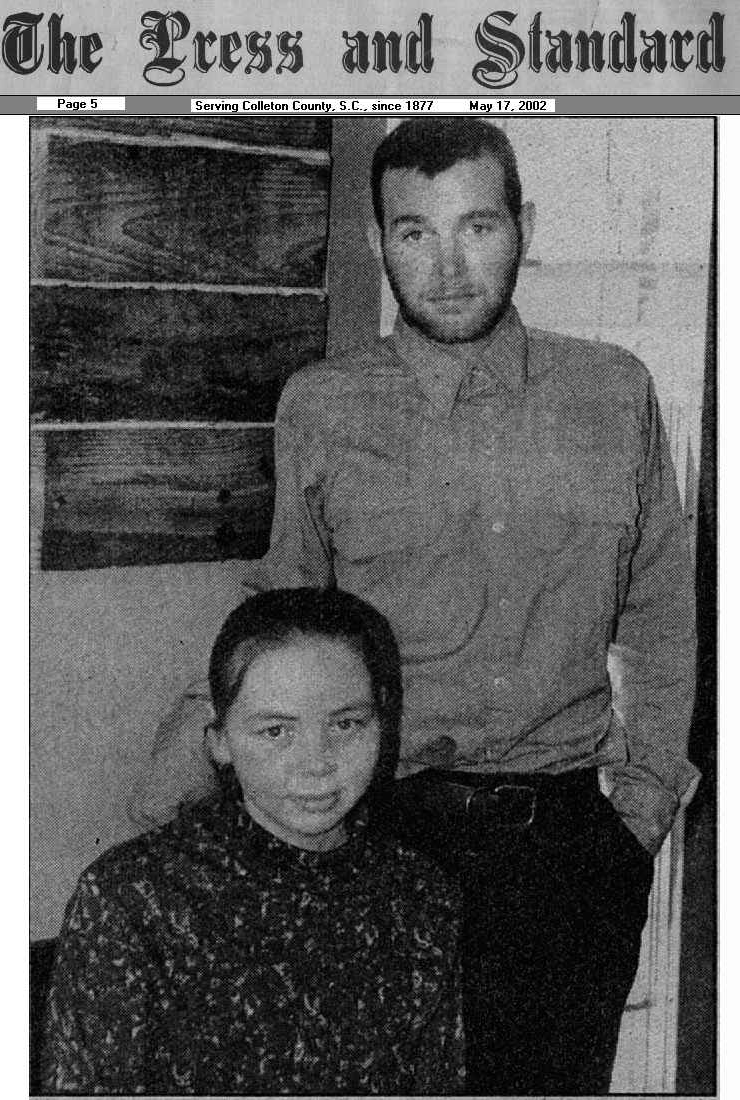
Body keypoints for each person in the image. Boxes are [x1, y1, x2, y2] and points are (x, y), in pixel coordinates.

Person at [135, 119, 699, 1095]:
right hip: (378, 838)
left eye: (476, 227)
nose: (446, 267)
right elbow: (279, 621)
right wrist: (177, 789)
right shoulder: (322, 406)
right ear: (376, 242)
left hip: (566, 856)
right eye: (413, 232)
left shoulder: (612, 393)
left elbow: (661, 609)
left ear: (523, 227)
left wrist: (638, 813)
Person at [43, 588, 464, 1096]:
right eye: (276, 731)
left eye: (346, 723)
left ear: (383, 725)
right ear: (220, 740)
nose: (317, 762)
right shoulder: (132, 900)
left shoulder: (419, 894)